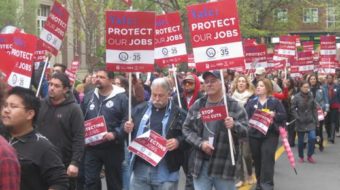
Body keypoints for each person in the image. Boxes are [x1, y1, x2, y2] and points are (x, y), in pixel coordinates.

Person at [182, 70, 248, 190]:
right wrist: (200, 143)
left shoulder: (233, 105)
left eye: (213, 81)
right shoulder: (198, 104)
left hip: (224, 165)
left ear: (222, 82)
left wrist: (234, 125)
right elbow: (186, 129)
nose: (209, 84)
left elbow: (246, 131)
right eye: (206, 82)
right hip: (201, 164)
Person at [123, 77, 187, 190]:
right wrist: (126, 127)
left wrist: (178, 142)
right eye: (154, 94)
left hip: (165, 168)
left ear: (169, 93)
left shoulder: (179, 114)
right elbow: (125, 127)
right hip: (140, 167)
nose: (157, 98)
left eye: (161, 95)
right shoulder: (139, 109)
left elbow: (189, 136)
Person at [2, 87, 69, 190]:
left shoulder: (44, 147)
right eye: (5, 105)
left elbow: (60, 183)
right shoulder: (2, 138)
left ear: (30, 114)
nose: (6, 110)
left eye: (13, 106)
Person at [81, 68, 128, 190]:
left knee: (114, 183)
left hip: (112, 147)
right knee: (90, 181)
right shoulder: (89, 96)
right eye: (97, 76)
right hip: (92, 148)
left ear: (111, 80)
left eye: (102, 77)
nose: (97, 79)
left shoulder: (121, 98)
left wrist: (115, 134)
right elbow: (81, 117)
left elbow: (127, 121)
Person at [37, 72, 85, 189]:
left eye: (57, 86)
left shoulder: (74, 109)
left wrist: (75, 163)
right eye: (50, 84)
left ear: (65, 90)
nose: (52, 88)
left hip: (63, 164)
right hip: (41, 162)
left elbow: (79, 137)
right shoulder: (41, 105)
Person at [245, 78, 286, 190]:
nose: (258, 87)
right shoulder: (251, 102)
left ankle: (267, 185)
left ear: (268, 88)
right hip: (254, 135)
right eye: (257, 85)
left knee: (267, 159)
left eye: (261, 86)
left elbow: (283, 115)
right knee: (257, 160)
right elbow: (245, 117)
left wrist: (274, 115)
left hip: (270, 135)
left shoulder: (275, 102)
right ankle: (259, 183)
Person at [231, 75, 255, 187]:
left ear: (247, 84)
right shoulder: (231, 97)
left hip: (247, 129)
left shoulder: (252, 97)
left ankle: (250, 173)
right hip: (234, 129)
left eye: (243, 81)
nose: (241, 83)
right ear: (236, 83)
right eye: (239, 81)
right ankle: (240, 178)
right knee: (237, 155)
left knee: (246, 154)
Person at [291, 81, 318, 163]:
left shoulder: (311, 96)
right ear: (301, 88)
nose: (306, 89)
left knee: (313, 138)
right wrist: (297, 117)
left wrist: (316, 120)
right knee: (300, 141)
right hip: (300, 121)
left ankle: (309, 155)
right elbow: (292, 109)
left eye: (307, 87)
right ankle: (301, 156)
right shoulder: (296, 97)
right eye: (305, 87)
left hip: (310, 121)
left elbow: (314, 108)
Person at [308, 74, 327, 151]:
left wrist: (326, 110)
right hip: (310, 112)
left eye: (314, 79)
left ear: (316, 80)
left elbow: (326, 100)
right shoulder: (307, 89)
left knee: (319, 129)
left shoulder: (321, 88)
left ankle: (320, 143)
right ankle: (313, 144)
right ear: (309, 80)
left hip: (319, 112)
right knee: (312, 129)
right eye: (311, 79)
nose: (313, 80)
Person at [323, 74, 340, 143]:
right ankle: (329, 134)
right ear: (326, 79)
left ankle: (332, 137)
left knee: (333, 121)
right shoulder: (324, 87)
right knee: (327, 122)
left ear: (333, 79)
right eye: (328, 78)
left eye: (331, 78)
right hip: (326, 106)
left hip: (335, 106)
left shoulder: (337, 87)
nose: (329, 79)